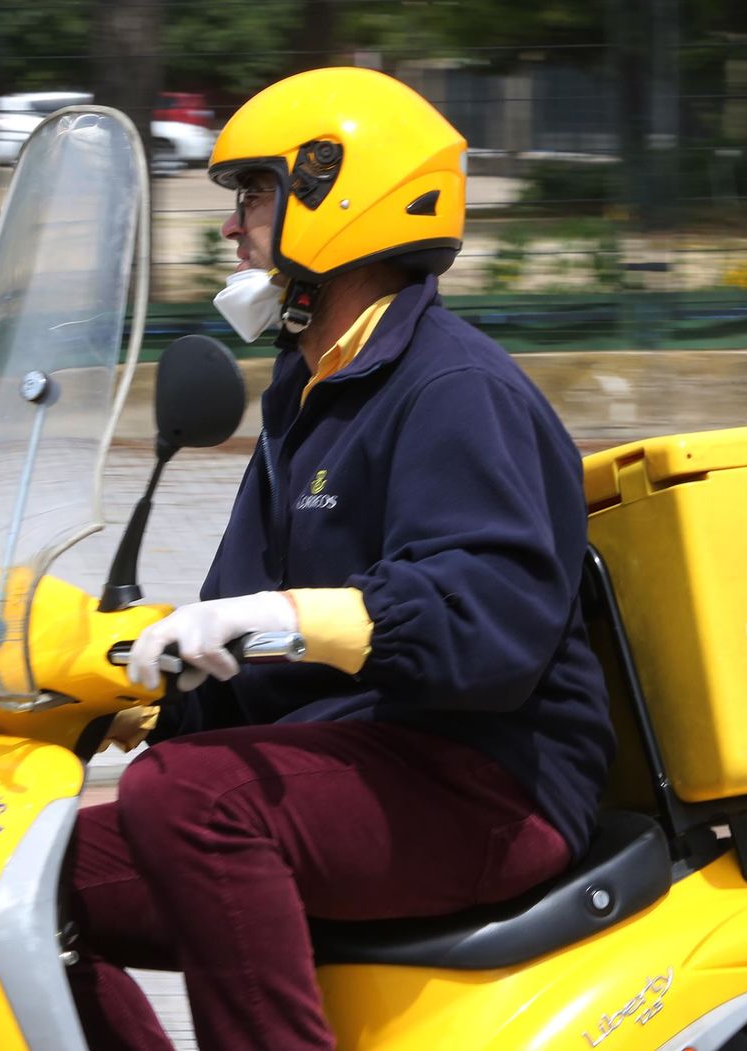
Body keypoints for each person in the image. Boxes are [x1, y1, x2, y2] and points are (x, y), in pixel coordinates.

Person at [64, 67, 614, 1051]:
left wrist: (283, 619)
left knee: (188, 799)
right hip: (368, 753)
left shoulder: (450, 389)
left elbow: (486, 623)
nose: (232, 227)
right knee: (29, 879)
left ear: (337, 194)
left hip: (490, 775)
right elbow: (244, 629)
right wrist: (118, 685)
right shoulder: (307, 393)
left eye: (254, 193)